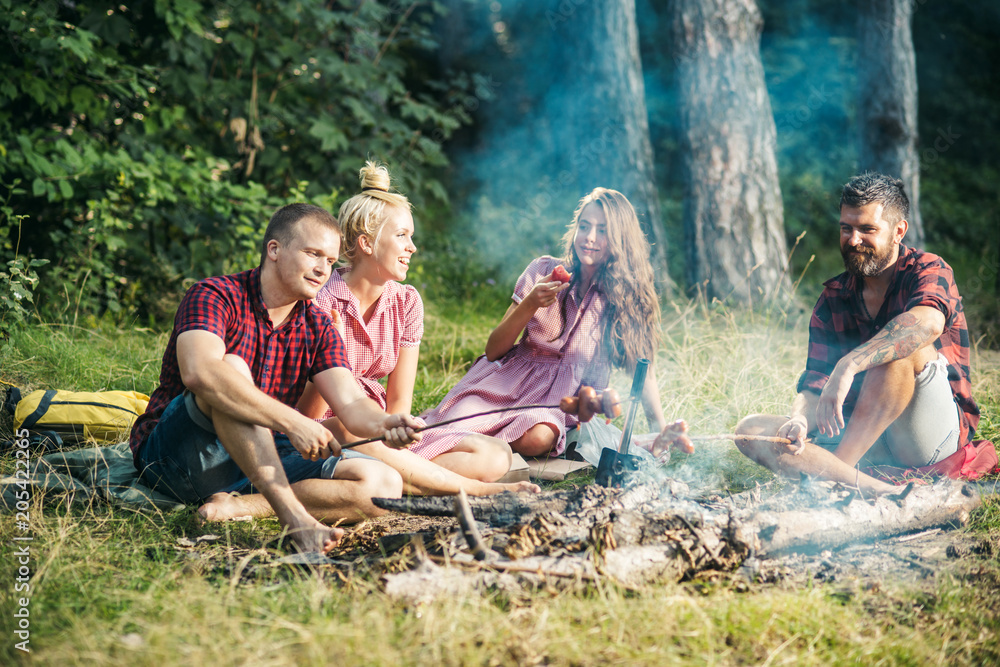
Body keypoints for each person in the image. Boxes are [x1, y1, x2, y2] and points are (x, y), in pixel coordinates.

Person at [130, 203, 423, 554]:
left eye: (329, 261)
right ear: (274, 250)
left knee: (383, 484)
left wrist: (387, 422)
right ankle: (294, 519)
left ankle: (240, 506)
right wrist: (293, 422)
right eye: (312, 254)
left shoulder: (318, 326)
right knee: (232, 370)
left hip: (256, 458)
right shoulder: (214, 294)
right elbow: (200, 372)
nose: (322, 270)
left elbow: (351, 403)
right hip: (178, 458)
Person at [297, 162, 539, 496]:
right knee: (348, 430)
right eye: (402, 236)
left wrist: (398, 435)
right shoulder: (321, 302)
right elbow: (303, 413)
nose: (413, 247)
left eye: (412, 236)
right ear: (367, 244)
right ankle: (471, 491)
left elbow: (398, 404)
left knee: (494, 456)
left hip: (379, 426)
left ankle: (404, 478)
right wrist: (331, 350)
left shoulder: (407, 302)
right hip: (324, 431)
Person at [734, 173, 981, 495]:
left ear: (898, 231)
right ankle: (884, 492)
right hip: (864, 435)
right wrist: (800, 420)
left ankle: (833, 477)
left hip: (923, 439)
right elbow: (815, 382)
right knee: (750, 429)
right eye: (846, 228)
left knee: (901, 350)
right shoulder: (833, 297)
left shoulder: (929, 269)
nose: (853, 240)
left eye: (867, 229)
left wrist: (849, 364)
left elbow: (927, 324)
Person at [409, 187, 669, 461]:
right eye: (585, 226)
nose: (590, 238)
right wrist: (530, 303)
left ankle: (474, 452)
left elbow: (644, 370)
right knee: (458, 419)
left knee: (537, 439)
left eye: (602, 231)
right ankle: (447, 453)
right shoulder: (542, 271)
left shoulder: (624, 295)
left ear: (621, 239)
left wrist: (658, 429)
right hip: (506, 382)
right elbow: (495, 349)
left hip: (562, 402)